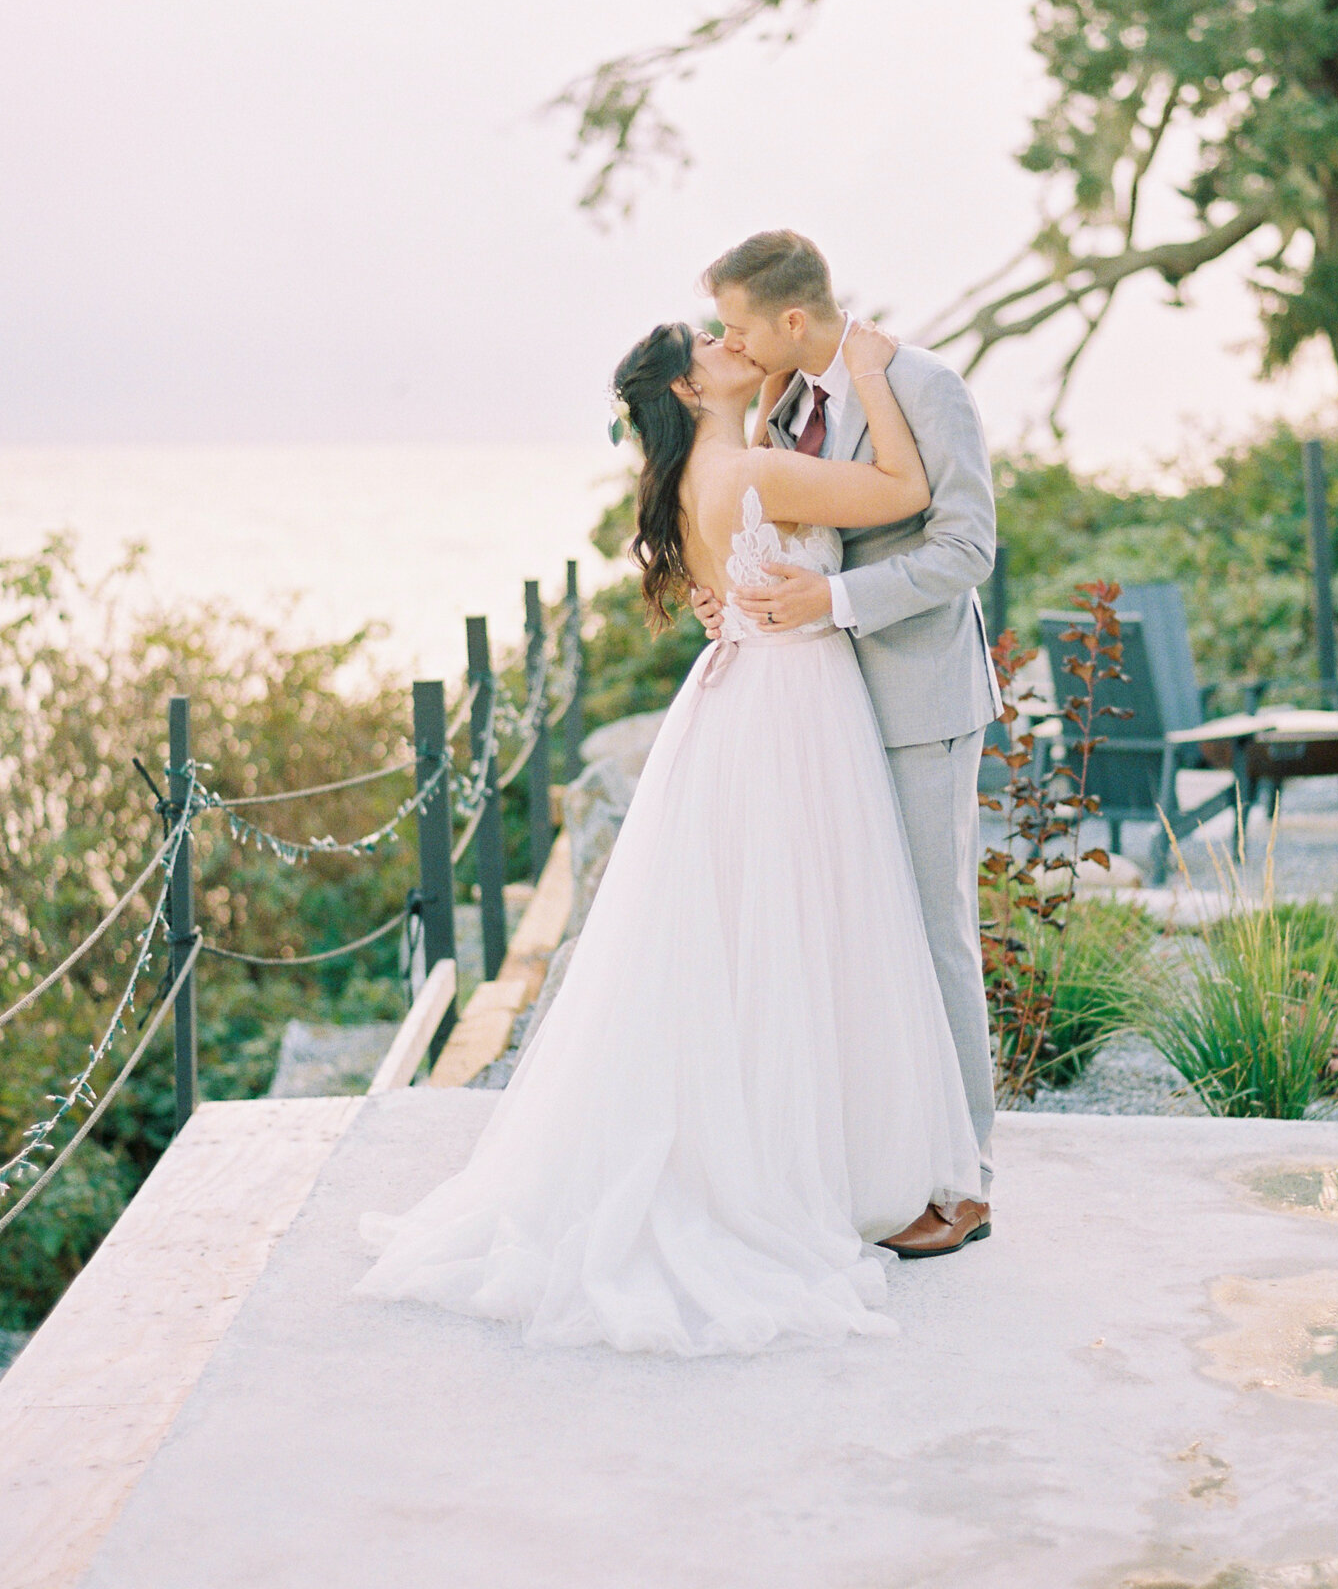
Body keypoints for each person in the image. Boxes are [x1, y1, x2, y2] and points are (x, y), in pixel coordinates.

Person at [356, 316, 981, 1356]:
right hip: (791, 704)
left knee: (748, 937)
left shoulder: (714, 466)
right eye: (709, 339)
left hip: (746, 696)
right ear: (691, 388)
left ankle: (774, 1148)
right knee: (799, 927)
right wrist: (871, 373)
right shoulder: (754, 468)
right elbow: (907, 493)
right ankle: (801, 1166)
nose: (729, 339)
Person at [697, 232, 1001, 1257]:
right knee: (852, 938)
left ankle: (967, 1176)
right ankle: (877, 1158)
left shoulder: (923, 383)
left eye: (737, 325)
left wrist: (832, 598)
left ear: (790, 318)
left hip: (918, 703)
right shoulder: (781, 404)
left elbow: (966, 545)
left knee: (929, 931)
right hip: (819, 715)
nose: (727, 343)